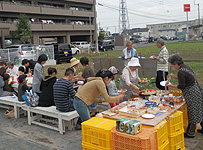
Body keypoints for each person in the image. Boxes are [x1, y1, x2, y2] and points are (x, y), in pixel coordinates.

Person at [166, 54, 203, 138]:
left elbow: (182, 86)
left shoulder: (181, 71)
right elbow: (185, 79)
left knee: (193, 112)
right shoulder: (186, 67)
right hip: (197, 90)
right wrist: (175, 77)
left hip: (191, 93)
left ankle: (191, 133)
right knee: (199, 110)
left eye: (172, 64)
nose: (172, 66)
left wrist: (171, 85)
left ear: (175, 64)